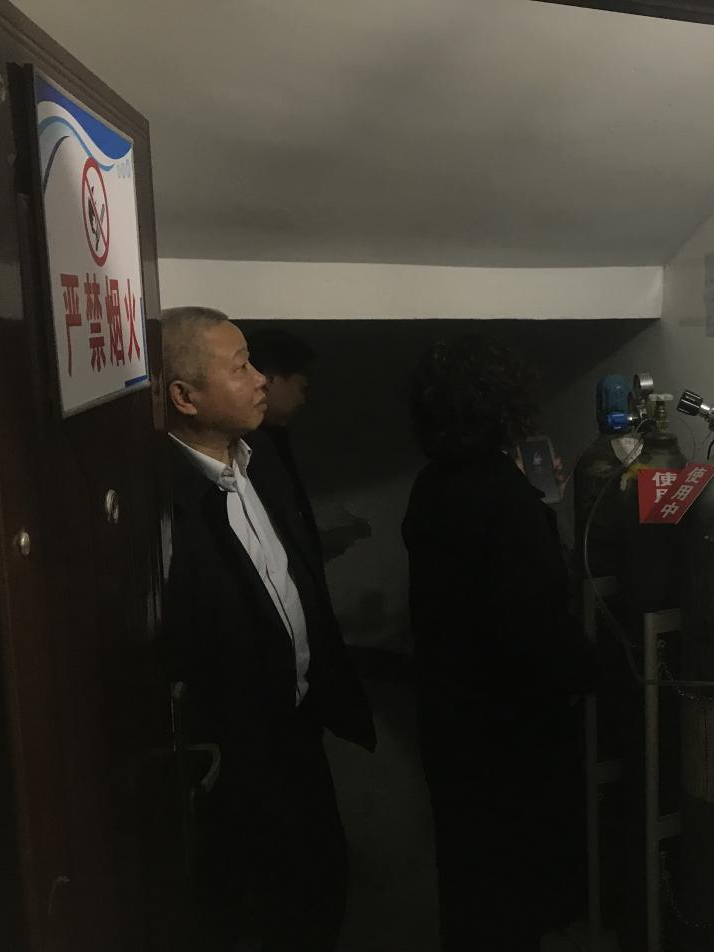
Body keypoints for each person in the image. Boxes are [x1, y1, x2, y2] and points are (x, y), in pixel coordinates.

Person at [161, 306, 375, 951]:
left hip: (298, 722)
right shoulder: (165, 505)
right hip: (239, 754)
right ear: (185, 397)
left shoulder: (260, 459)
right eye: (240, 367)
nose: (260, 379)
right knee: (259, 906)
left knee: (322, 881)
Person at [402, 335, 596, 952]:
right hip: (506, 725)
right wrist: (595, 670)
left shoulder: (431, 484)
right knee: (512, 882)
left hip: (448, 711)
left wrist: (529, 499)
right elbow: (533, 625)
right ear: (498, 404)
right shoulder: (505, 499)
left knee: (467, 872)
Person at [243, 327, 319, 543]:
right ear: (270, 379)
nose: (302, 400)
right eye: (301, 388)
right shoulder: (249, 446)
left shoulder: (273, 437)